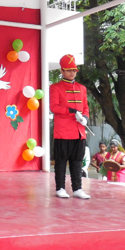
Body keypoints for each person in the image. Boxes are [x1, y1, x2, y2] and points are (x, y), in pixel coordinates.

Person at [49, 54, 90, 199]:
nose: (72, 73)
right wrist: (71, 111)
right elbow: (54, 107)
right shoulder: (55, 87)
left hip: (79, 131)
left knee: (77, 161)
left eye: (74, 70)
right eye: (68, 70)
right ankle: (60, 188)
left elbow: (86, 107)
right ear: (62, 71)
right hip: (63, 131)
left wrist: (85, 118)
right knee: (61, 161)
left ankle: (77, 188)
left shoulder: (82, 88)